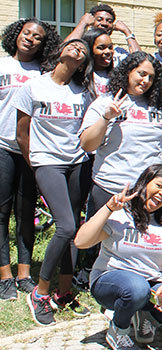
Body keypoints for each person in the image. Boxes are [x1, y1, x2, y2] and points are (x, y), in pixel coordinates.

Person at [14, 39, 94, 325]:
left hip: (77, 163)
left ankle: (64, 290)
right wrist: (34, 161)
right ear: (60, 52)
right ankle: (40, 292)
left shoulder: (83, 92)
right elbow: (22, 131)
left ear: (84, 63)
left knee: (73, 228)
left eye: (83, 51)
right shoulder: (34, 86)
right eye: (73, 46)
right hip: (47, 162)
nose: (78, 50)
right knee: (67, 226)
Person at [75, 164, 162, 350]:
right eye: (159, 185)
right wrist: (108, 208)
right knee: (137, 288)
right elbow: (81, 242)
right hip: (111, 280)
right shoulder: (121, 214)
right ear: (145, 183)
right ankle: (118, 331)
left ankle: (144, 317)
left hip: (150, 282)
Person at [0, 18, 59, 300]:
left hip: (32, 151)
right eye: (27, 33)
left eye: (37, 37)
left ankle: (24, 274)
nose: (31, 39)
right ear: (17, 34)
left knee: (26, 214)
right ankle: (5, 276)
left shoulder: (43, 73)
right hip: (1, 148)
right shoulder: (2, 66)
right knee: (1, 213)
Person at [80, 51, 162, 216]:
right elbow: (87, 144)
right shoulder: (105, 103)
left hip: (147, 193)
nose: (146, 81)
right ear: (127, 71)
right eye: (142, 74)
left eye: (151, 77)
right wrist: (106, 118)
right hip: (109, 187)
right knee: (94, 240)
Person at [64, 3, 140, 56]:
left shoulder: (118, 52)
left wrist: (127, 32)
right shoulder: (82, 48)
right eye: (99, 19)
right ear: (91, 22)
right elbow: (64, 50)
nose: (104, 23)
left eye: (109, 21)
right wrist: (83, 23)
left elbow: (140, 60)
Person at [81, 29, 116, 97]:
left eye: (110, 47)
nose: (108, 51)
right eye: (101, 48)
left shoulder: (116, 77)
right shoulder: (80, 76)